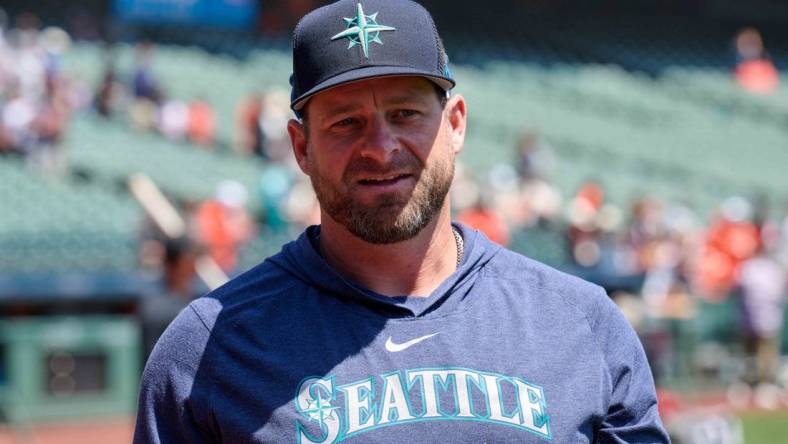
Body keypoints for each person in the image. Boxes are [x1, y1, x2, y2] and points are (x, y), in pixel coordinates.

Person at [134, 1, 668, 442]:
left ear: (455, 124)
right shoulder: (207, 351)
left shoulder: (581, 323)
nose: (381, 147)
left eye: (406, 113)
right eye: (346, 122)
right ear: (301, 147)